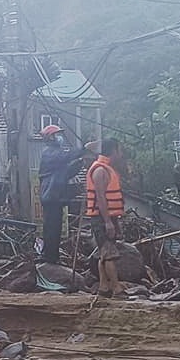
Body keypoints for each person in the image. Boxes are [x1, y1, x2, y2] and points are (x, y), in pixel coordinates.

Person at [36, 124, 94, 266]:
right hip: (51, 196)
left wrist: (81, 162)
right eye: (57, 135)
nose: (60, 138)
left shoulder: (55, 155)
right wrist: (84, 149)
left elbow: (67, 172)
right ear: (50, 138)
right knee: (51, 227)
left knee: (54, 228)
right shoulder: (50, 153)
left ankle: (52, 256)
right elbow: (67, 157)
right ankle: (49, 257)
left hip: (55, 196)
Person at [85, 138, 127, 298]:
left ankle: (103, 286)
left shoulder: (107, 169)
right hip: (101, 218)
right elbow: (101, 198)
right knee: (109, 253)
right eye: (120, 150)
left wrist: (115, 221)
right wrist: (108, 222)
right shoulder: (100, 170)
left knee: (104, 252)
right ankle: (116, 288)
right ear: (113, 151)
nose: (121, 154)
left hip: (108, 217)